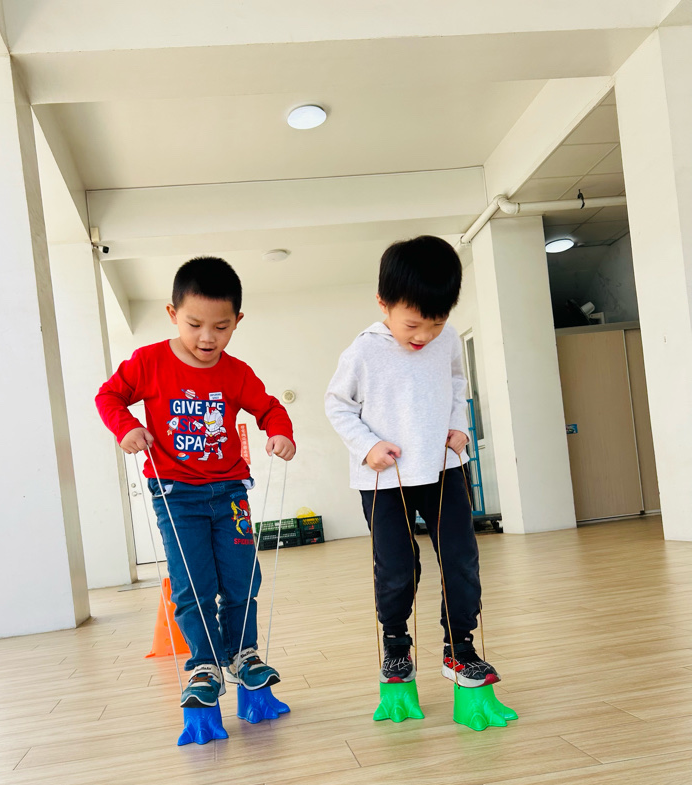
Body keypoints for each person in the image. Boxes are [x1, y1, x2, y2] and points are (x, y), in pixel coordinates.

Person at [96, 256, 295, 708]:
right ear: (172, 314)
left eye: (221, 327)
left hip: (230, 494)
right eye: (194, 324)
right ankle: (205, 665)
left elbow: (269, 408)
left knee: (242, 579)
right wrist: (126, 427)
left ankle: (243, 655)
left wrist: (280, 432)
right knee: (192, 584)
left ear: (237, 321)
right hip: (176, 495)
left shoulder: (236, 373)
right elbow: (109, 396)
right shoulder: (149, 362)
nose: (208, 337)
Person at [325, 235, 500, 689]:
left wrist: (460, 427)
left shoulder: (447, 341)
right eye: (413, 325)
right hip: (385, 479)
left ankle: (460, 649)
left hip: (444, 468)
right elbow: (337, 405)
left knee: (461, 560)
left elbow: (458, 385)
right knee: (397, 567)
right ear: (383, 304)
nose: (424, 336)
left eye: (437, 323)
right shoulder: (363, 351)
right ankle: (396, 645)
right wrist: (368, 446)